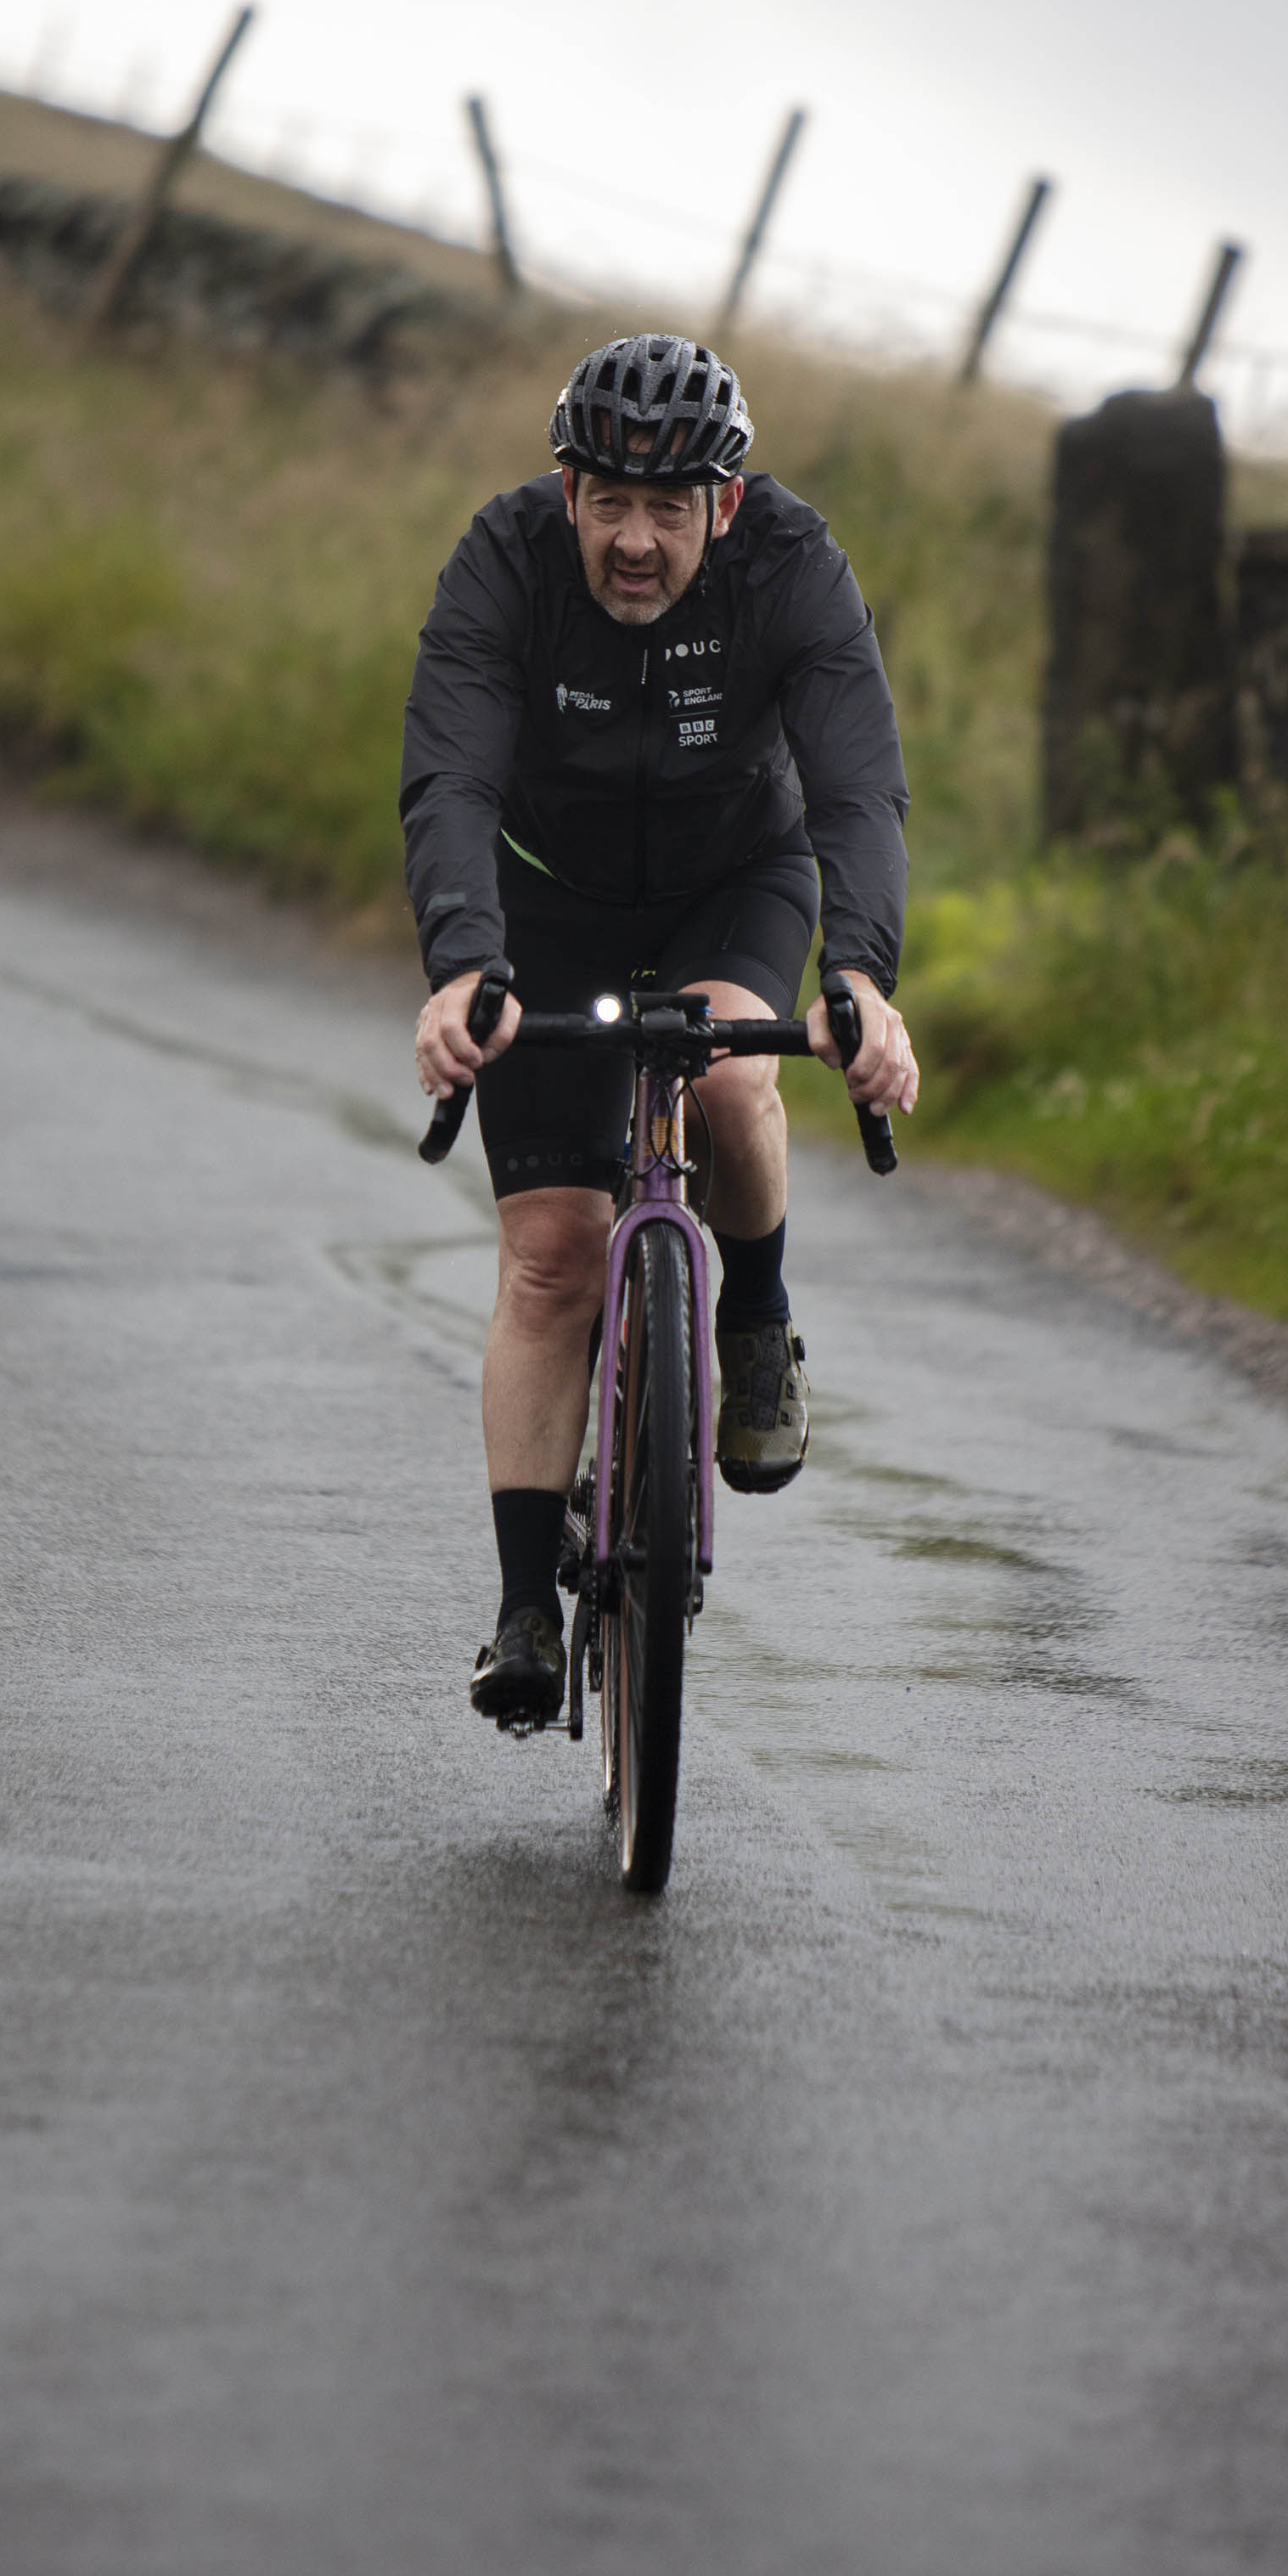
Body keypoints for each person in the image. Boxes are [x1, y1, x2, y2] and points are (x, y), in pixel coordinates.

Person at [402, 330, 920, 1728]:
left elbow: (857, 791)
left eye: (668, 511)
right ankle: (521, 1604)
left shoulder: (793, 565)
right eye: (609, 507)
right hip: (546, 903)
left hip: (729, 887)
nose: (635, 544)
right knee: (552, 1253)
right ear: (566, 493)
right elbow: (448, 775)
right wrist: (464, 968)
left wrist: (861, 978)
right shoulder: (502, 562)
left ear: (724, 507)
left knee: (740, 1083)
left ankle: (752, 1322)